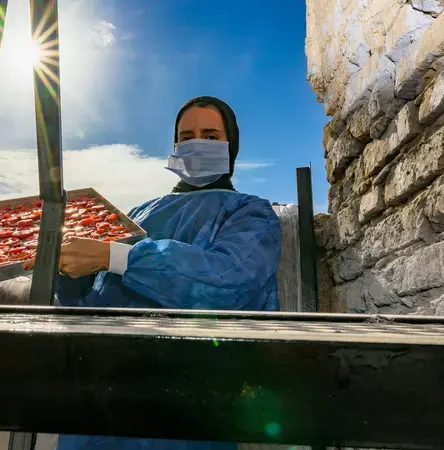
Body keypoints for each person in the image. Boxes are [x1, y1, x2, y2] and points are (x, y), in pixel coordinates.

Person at [30, 96, 282, 450]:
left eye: (210, 136)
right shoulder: (137, 212)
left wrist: (119, 257)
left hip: (187, 407)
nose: (196, 144)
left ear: (231, 146)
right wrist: (68, 271)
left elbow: (228, 282)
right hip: (97, 399)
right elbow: (89, 299)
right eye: (186, 136)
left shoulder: (250, 214)